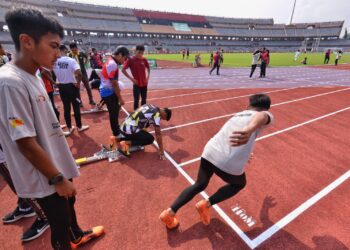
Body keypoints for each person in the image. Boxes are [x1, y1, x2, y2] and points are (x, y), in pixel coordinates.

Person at [0, 8, 103, 249]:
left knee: (69, 206)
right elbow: (24, 141)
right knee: (59, 226)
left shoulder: (34, 75)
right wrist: (56, 178)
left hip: (54, 162)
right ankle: (69, 239)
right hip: (43, 175)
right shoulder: (10, 82)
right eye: (53, 46)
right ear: (26, 41)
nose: (58, 53)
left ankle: (76, 234)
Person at [159, 94, 274, 229]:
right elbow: (263, 116)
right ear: (264, 108)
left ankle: (169, 213)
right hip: (227, 160)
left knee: (200, 184)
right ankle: (206, 204)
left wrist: (245, 151)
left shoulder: (239, 115)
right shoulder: (263, 115)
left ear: (249, 105)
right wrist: (249, 130)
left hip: (210, 151)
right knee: (239, 184)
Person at [0, 145, 50, 242]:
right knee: (16, 185)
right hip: (4, 153)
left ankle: (44, 216)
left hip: (6, 153)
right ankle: (25, 205)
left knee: (20, 184)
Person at [53, 45, 89, 136]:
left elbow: (44, 72)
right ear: (65, 51)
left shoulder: (54, 61)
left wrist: (54, 82)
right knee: (76, 106)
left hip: (62, 87)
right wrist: (77, 83)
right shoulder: (71, 60)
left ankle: (69, 128)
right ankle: (79, 127)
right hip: (72, 86)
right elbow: (79, 73)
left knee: (66, 107)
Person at [100, 47, 129, 138]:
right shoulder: (113, 64)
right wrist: (120, 99)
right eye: (125, 58)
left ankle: (116, 129)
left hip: (106, 90)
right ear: (120, 55)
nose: (124, 61)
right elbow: (114, 83)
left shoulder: (110, 61)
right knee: (114, 113)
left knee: (114, 112)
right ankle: (116, 134)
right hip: (108, 92)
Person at [122, 44, 150, 111]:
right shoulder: (131, 60)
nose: (140, 54)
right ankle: (135, 115)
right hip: (136, 84)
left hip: (144, 84)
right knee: (136, 100)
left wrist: (147, 77)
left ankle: (143, 113)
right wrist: (131, 79)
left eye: (142, 53)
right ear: (135, 51)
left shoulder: (144, 59)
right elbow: (123, 70)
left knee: (144, 100)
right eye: (139, 52)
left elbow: (148, 68)